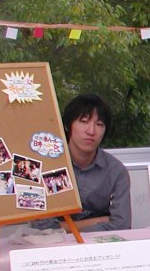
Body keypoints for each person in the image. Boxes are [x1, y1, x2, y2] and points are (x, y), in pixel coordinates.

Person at [52, 94, 131, 232]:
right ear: (67, 125)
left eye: (99, 124)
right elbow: (42, 228)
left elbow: (121, 225)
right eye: (84, 121)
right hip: (53, 243)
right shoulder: (50, 165)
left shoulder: (116, 171)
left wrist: (64, 227)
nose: (91, 131)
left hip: (101, 243)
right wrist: (99, 220)